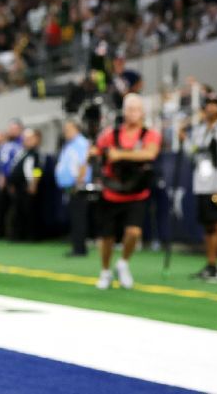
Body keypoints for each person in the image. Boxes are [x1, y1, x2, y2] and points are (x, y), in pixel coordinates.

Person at [92, 94, 162, 290]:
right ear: (124, 111)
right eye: (129, 109)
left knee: (134, 231)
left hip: (137, 192)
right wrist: (99, 155)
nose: (133, 113)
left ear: (143, 112)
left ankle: (123, 263)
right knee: (107, 236)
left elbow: (150, 153)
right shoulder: (110, 134)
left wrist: (120, 154)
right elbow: (97, 150)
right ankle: (105, 271)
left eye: (136, 109)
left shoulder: (150, 134)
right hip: (111, 191)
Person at [187, 95, 217, 283]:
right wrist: (184, 140)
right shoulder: (200, 130)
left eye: (214, 105)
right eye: (208, 104)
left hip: (216, 184)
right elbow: (193, 153)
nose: (210, 108)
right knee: (208, 226)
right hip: (202, 183)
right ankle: (211, 265)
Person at [54, 119, 93, 257]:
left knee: (78, 217)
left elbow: (83, 163)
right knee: (74, 216)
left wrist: (79, 182)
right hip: (70, 186)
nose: (65, 132)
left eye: (68, 129)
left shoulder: (81, 143)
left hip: (78, 186)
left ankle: (79, 248)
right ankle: (77, 245)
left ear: (76, 129)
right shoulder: (70, 144)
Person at [9, 129, 42, 241]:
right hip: (19, 187)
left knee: (29, 212)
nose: (26, 141)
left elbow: (37, 170)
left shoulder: (35, 154)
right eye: (25, 139)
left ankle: (31, 235)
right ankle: (19, 235)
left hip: (28, 186)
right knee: (19, 212)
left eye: (29, 139)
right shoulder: (22, 153)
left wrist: (34, 184)